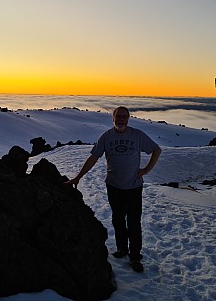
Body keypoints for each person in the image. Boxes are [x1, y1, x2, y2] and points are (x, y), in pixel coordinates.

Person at [63, 106, 161, 273]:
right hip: (114, 186)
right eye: (118, 116)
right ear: (113, 118)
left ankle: (135, 256)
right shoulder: (106, 137)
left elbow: (156, 150)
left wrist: (146, 170)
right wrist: (78, 177)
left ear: (128, 118)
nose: (121, 119)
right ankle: (122, 249)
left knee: (134, 222)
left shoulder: (137, 135)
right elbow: (94, 157)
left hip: (133, 187)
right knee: (118, 219)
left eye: (124, 116)